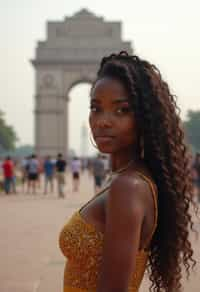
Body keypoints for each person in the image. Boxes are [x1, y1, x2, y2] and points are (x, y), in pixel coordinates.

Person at [59, 52, 195, 292]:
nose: (103, 121)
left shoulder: (128, 188)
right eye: (96, 108)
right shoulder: (135, 181)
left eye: (121, 110)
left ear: (144, 118)